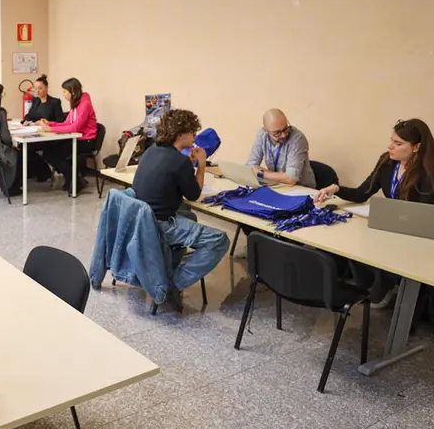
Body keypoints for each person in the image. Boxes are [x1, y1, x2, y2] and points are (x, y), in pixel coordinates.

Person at [315, 118, 434, 306]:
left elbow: (423, 214)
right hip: (392, 225)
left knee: (383, 248)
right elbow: (362, 192)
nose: (390, 146)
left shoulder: (428, 173)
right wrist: (335, 189)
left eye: (398, 144)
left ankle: (387, 289)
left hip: (416, 234)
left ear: (416, 147)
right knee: (355, 243)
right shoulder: (387, 162)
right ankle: (373, 288)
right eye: (391, 141)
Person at [131, 108, 229, 311]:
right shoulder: (179, 161)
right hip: (160, 225)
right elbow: (194, 194)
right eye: (192, 132)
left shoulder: (151, 152)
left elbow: (172, 177)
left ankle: (167, 268)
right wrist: (201, 165)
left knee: (189, 216)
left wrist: (188, 165)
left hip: (142, 221)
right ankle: (174, 283)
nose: (195, 136)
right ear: (180, 134)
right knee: (220, 240)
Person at [39, 78, 99, 191]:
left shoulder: (85, 105)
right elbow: (67, 123)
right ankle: (74, 178)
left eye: (65, 92)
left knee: (53, 154)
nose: (63, 94)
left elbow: (75, 127)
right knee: (48, 152)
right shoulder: (76, 104)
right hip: (75, 138)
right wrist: (50, 124)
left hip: (85, 141)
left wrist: (50, 129)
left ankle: (74, 179)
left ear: (73, 92)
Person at [246, 108, 316, 187]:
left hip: (301, 188)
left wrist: (262, 173)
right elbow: (250, 167)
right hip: (277, 185)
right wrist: (279, 176)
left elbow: (291, 178)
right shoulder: (262, 135)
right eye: (277, 132)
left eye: (285, 129)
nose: (284, 135)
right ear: (265, 130)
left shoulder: (297, 138)